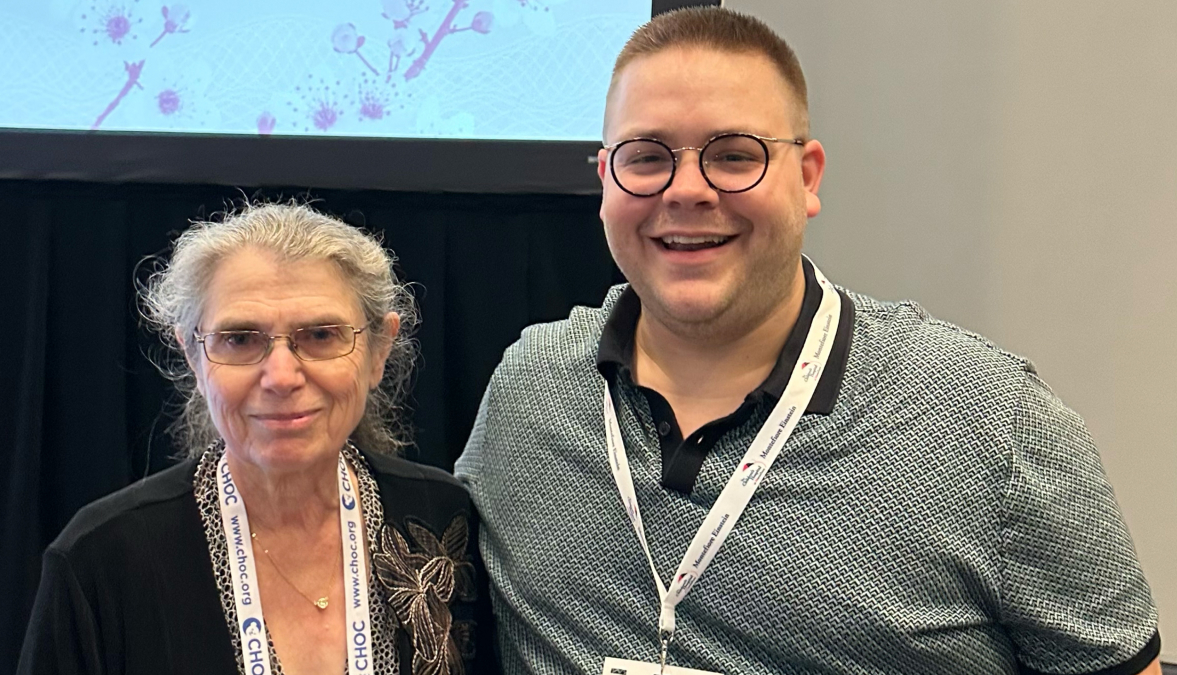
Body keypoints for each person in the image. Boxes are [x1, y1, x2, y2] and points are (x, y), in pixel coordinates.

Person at [455, 7, 1161, 675]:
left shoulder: (992, 422)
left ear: (807, 175)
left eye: (735, 155)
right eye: (647, 156)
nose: (688, 190)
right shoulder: (530, 391)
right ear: (607, 178)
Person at [19, 203, 493, 675]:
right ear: (193, 357)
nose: (282, 377)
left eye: (321, 335)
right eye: (241, 339)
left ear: (378, 351)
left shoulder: (449, 521)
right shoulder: (100, 561)